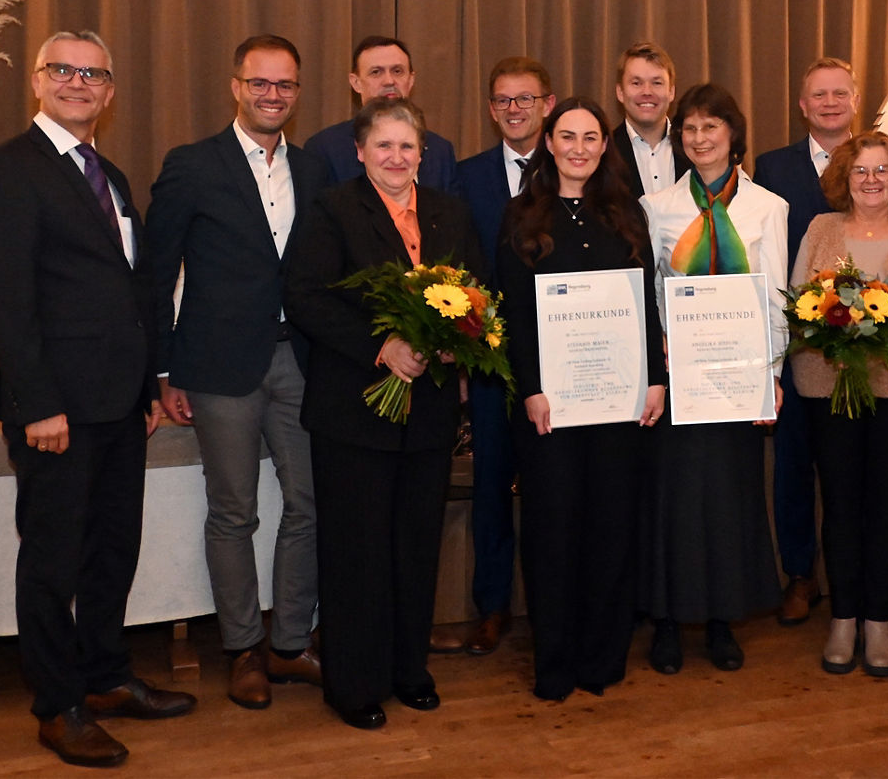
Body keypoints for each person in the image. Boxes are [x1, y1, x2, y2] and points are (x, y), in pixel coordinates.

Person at [0, 30, 194, 769]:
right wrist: (37, 405)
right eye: (62, 70)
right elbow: (6, 301)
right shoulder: (7, 172)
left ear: (110, 90)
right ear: (37, 81)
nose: (77, 82)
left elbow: (130, 292)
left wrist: (151, 384)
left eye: (93, 74)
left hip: (121, 407)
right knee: (53, 562)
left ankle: (104, 678)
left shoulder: (112, 176)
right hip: (56, 410)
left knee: (110, 553)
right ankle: (57, 705)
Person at [284, 97, 482, 729]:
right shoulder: (333, 210)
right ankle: (353, 683)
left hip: (425, 415)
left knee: (415, 547)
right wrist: (382, 346)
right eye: (384, 146)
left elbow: (475, 294)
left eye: (408, 147)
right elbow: (305, 297)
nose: (396, 157)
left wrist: (457, 337)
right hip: (353, 414)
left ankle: (408, 668)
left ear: (423, 155)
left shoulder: (450, 213)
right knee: (356, 552)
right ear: (361, 152)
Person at [146, 35, 330, 710]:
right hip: (218, 366)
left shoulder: (314, 172)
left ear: (298, 92)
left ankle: (289, 644)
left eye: (285, 84)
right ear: (236, 85)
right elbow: (157, 271)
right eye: (260, 83)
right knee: (234, 511)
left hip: (300, 362)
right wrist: (161, 369)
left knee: (309, 505)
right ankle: (242, 648)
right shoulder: (192, 165)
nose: (272, 95)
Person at [496, 97, 667, 701]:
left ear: (604, 146)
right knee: (553, 531)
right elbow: (514, 315)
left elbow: (645, 303)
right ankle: (556, 662)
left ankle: (602, 658)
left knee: (612, 527)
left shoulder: (626, 214)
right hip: (550, 411)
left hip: (621, 406)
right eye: (567, 136)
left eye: (590, 137)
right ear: (549, 142)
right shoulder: (521, 217)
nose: (579, 147)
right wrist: (533, 389)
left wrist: (654, 378)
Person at [789, 132, 888, 676]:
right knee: (840, 505)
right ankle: (843, 618)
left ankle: (878, 622)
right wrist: (827, 335)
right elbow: (797, 309)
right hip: (829, 387)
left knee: (887, 507)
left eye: (882, 171)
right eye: (860, 171)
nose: (871, 180)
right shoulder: (820, 229)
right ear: (844, 178)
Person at [640, 83, 787, 674]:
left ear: (733, 134)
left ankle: (723, 620)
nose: (700, 139)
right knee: (671, 503)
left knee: (729, 501)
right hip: (679, 381)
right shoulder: (658, 208)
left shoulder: (767, 208)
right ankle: (667, 622)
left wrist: (771, 375)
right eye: (690, 128)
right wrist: (661, 355)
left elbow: (777, 296)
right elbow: (651, 293)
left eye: (711, 127)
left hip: (739, 380)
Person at [453, 57, 556, 656]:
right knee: (491, 488)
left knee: (551, 490)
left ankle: (549, 604)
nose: (515, 110)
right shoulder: (465, 177)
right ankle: (491, 608)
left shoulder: (575, 168)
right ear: (491, 109)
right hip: (491, 366)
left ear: (547, 103)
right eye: (503, 100)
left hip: (561, 362)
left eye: (526, 99)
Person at [753, 57, 858, 625]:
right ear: (802, 105)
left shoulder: (876, 163)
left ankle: (858, 573)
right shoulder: (771, 167)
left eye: (839, 93)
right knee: (793, 463)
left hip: (866, 342)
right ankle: (800, 574)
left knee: (853, 467)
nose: (829, 102)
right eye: (819, 95)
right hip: (795, 343)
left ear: (855, 99)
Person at [305, 35, 456, 189]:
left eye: (397, 71)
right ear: (356, 83)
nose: (389, 81)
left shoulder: (440, 151)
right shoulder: (325, 149)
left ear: (411, 80)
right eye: (376, 72)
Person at [611, 41, 693, 200]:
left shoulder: (696, 147)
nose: (647, 92)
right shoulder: (604, 152)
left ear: (671, 91)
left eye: (657, 83)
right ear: (620, 92)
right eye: (636, 83)